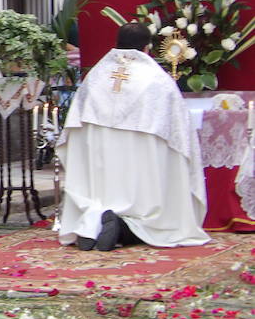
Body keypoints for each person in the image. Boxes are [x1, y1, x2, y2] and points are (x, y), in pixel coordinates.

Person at [56, 22, 210, 252]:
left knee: (102, 193)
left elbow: (74, 126)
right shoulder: (157, 81)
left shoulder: (96, 77)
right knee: (147, 214)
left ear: (116, 44)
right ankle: (124, 226)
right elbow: (179, 133)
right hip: (141, 158)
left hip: (101, 155)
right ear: (147, 48)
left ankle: (92, 222)